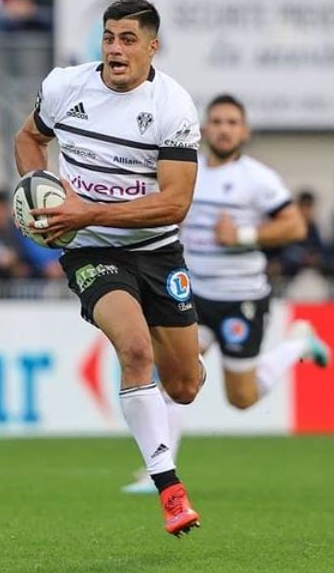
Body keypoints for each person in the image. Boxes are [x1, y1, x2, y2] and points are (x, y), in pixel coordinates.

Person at [14, 0, 204, 535]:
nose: (115, 49)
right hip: (90, 248)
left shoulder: (173, 107)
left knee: (185, 385)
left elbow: (174, 203)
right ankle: (169, 488)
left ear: (151, 47)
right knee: (135, 349)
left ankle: (191, 354)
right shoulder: (64, 87)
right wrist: (36, 190)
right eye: (108, 37)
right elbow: (29, 137)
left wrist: (87, 207)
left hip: (157, 250)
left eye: (127, 40)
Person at [122, 95, 330, 493]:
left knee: (242, 398)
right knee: (173, 376)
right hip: (195, 294)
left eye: (232, 122)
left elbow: (295, 228)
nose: (223, 128)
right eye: (216, 120)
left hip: (241, 299)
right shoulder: (187, 171)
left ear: (244, 131)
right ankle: (160, 471)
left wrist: (244, 237)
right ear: (204, 128)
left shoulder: (258, 178)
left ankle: (298, 343)